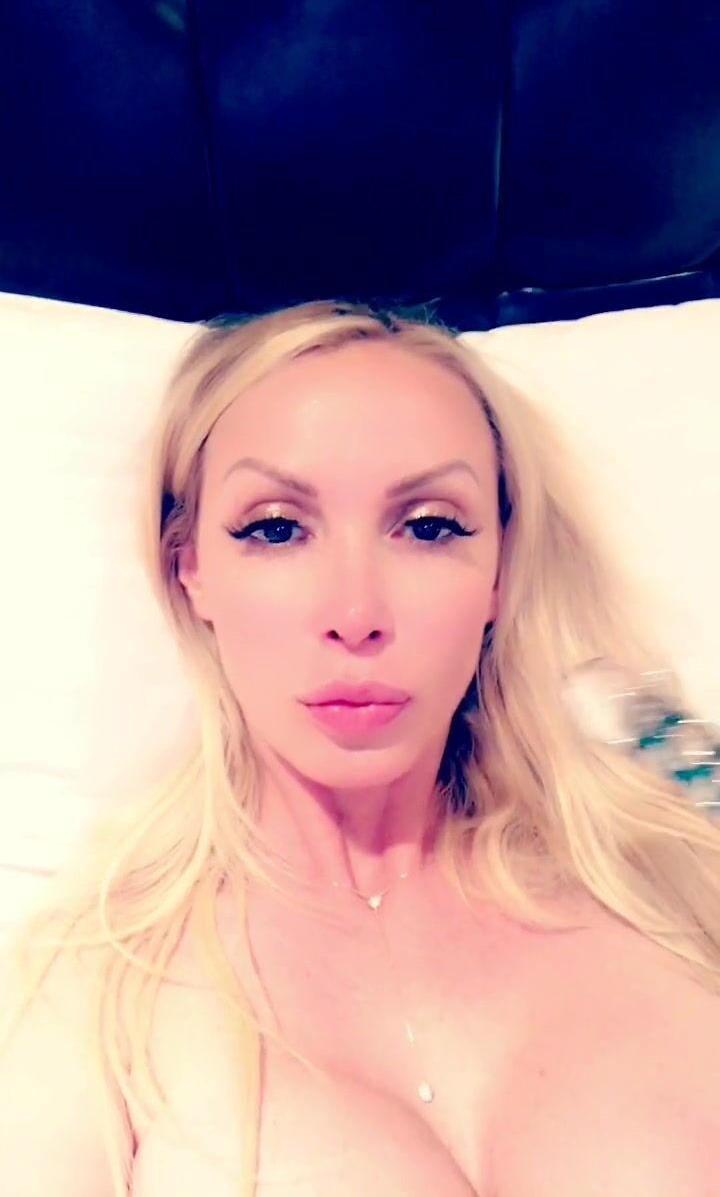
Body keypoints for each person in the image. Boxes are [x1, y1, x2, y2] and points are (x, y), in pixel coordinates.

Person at [1, 298, 719, 1197]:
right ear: (189, 569)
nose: (356, 614)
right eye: (275, 528)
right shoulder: (89, 997)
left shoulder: (673, 879)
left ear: (501, 570)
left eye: (429, 527)